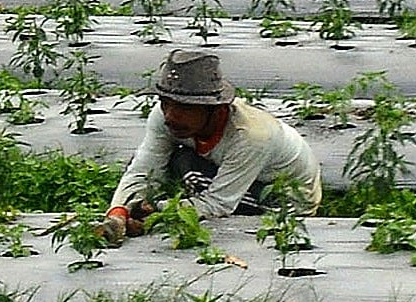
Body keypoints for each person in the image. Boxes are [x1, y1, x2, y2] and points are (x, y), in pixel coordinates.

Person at [99, 48, 323, 245]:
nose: (170, 116)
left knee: (195, 178)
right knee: (178, 160)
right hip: (238, 178)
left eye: (184, 108)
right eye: (165, 103)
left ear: (215, 109)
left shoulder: (252, 136)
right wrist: (118, 212)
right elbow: (143, 169)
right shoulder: (165, 118)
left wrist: (156, 212)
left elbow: (218, 203)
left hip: (282, 199)